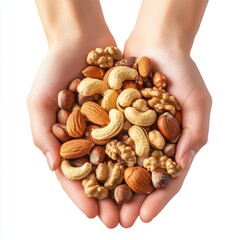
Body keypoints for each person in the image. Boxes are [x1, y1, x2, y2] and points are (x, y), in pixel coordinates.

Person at [27, 0, 212, 228]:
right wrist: (70, 32)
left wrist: (166, 32)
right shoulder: (106, 108)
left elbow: (141, 121)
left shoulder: (127, 108)